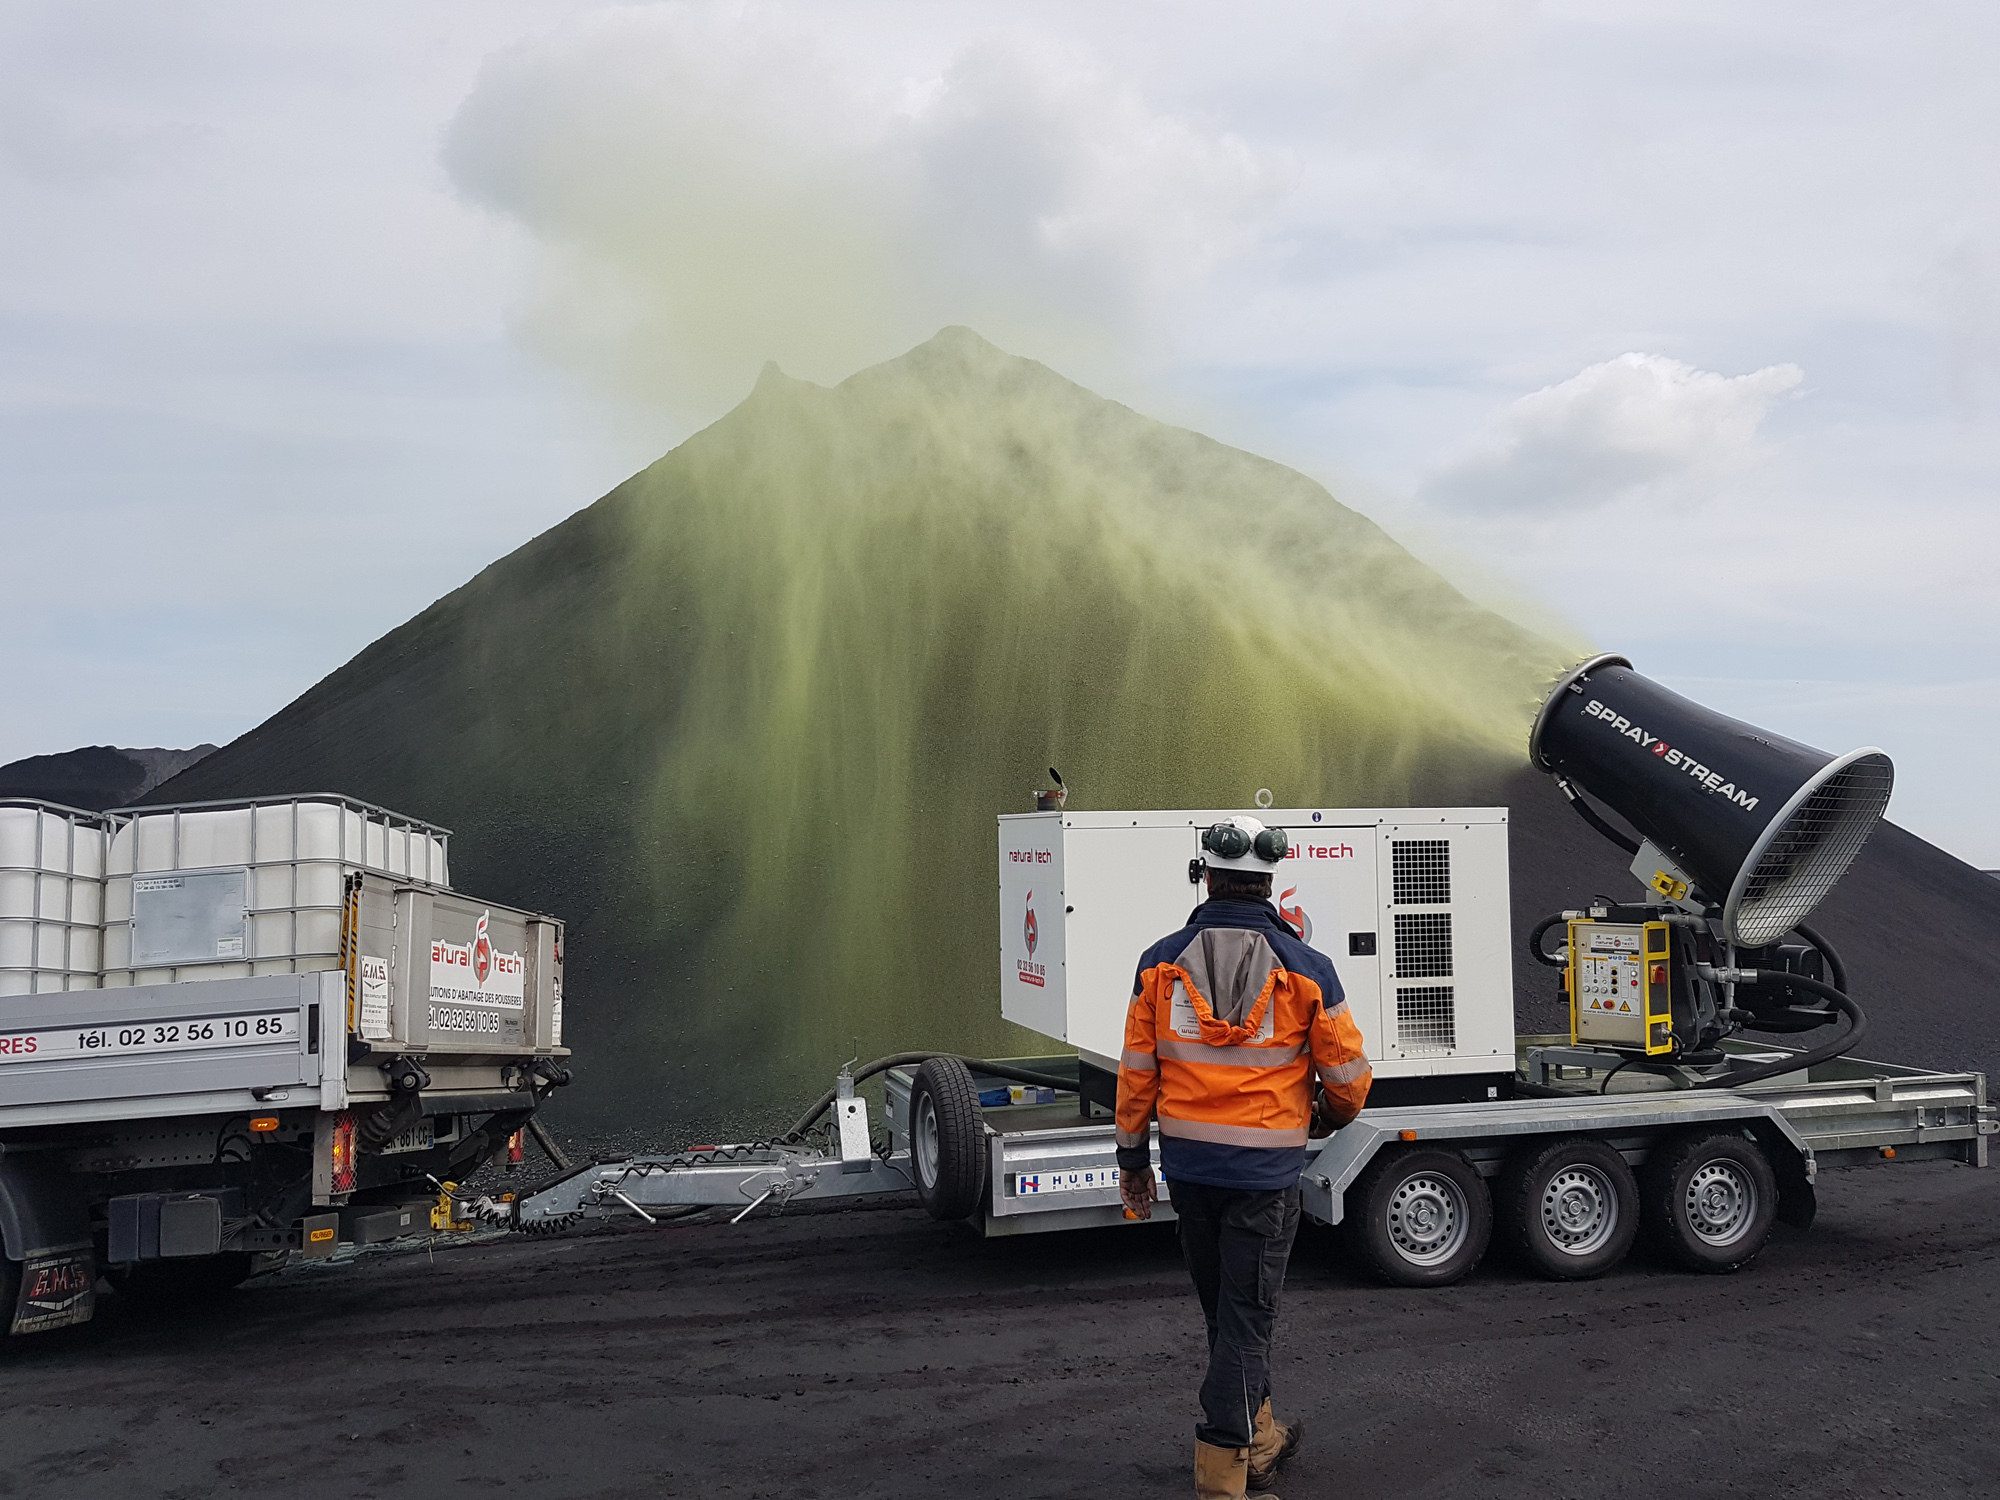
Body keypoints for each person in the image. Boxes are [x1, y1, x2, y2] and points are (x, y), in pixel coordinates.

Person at [1115, 814, 1373, 1500]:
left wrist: (1132, 1158)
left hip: (1191, 1173)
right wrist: (1323, 1113)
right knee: (1248, 1316)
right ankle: (1225, 1480)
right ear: (1269, 882)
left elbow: (1137, 1071)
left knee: (1227, 1315)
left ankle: (1260, 1436)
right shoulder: (1308, 968)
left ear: (1205, 875)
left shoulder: (1158, 963)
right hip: (1263, 1178)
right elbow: (1349, 1083)